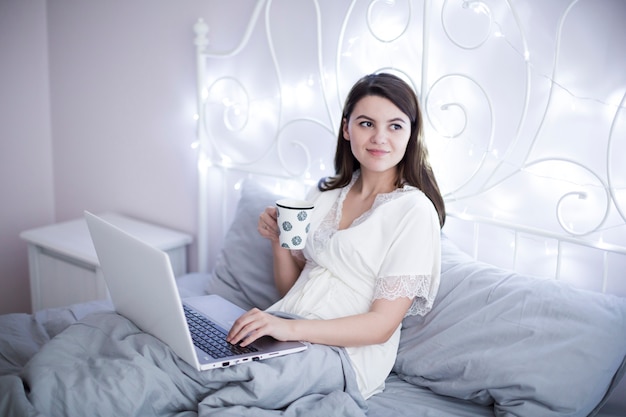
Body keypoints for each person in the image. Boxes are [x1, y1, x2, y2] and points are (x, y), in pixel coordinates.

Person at [227, 72, 446, 400]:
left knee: (234, 390)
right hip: (287, 332)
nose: (379, 138)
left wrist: (288, 328)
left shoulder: (413, 210)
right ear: (347, 128)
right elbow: (292, 289)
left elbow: (381, 326)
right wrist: (278, 242)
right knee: (192, 360)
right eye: (366, 123)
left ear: (411, 135)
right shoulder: (326, 196)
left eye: (395, 126)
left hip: (346, 357)